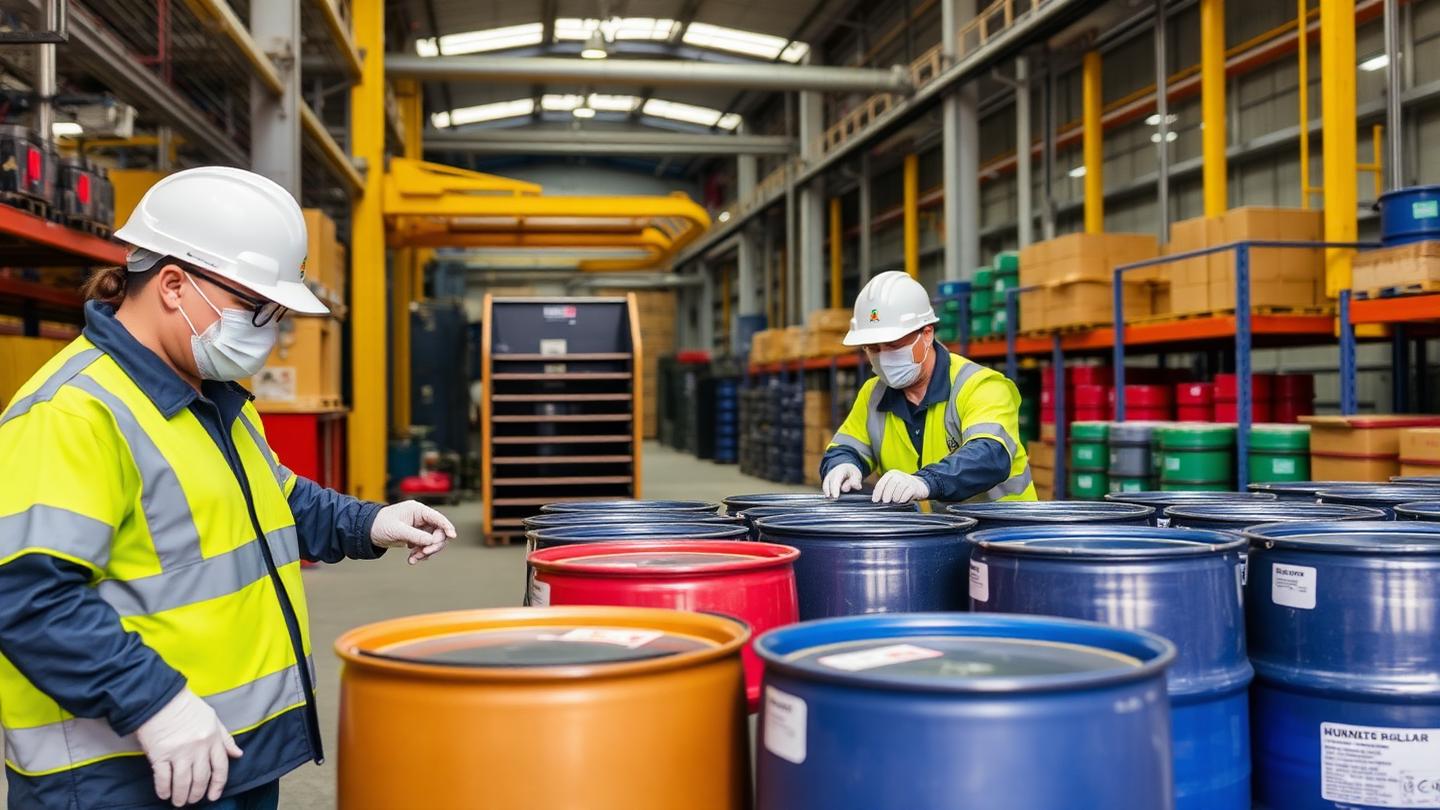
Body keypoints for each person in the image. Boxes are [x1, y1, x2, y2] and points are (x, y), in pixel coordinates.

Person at [0, 167, 458, 810]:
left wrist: (368, 522)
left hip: (221, 756)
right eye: (256, 307)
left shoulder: (213, 400)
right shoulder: (73, 413)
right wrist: (154, 704)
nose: (268, 330)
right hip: (122, 773)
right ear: (173, 284)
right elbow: (26, 594)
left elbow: (274, 501)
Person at [820, 271, 1036, 505]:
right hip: (932, 534)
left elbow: (990, 455)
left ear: (926, 334)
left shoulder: (981, 386)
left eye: (893, 345)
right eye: (873, 348)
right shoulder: (873, 394)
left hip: (1002, 531)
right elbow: (846, 446)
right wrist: (842, 464)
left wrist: (925, 481)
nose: (883, 357)